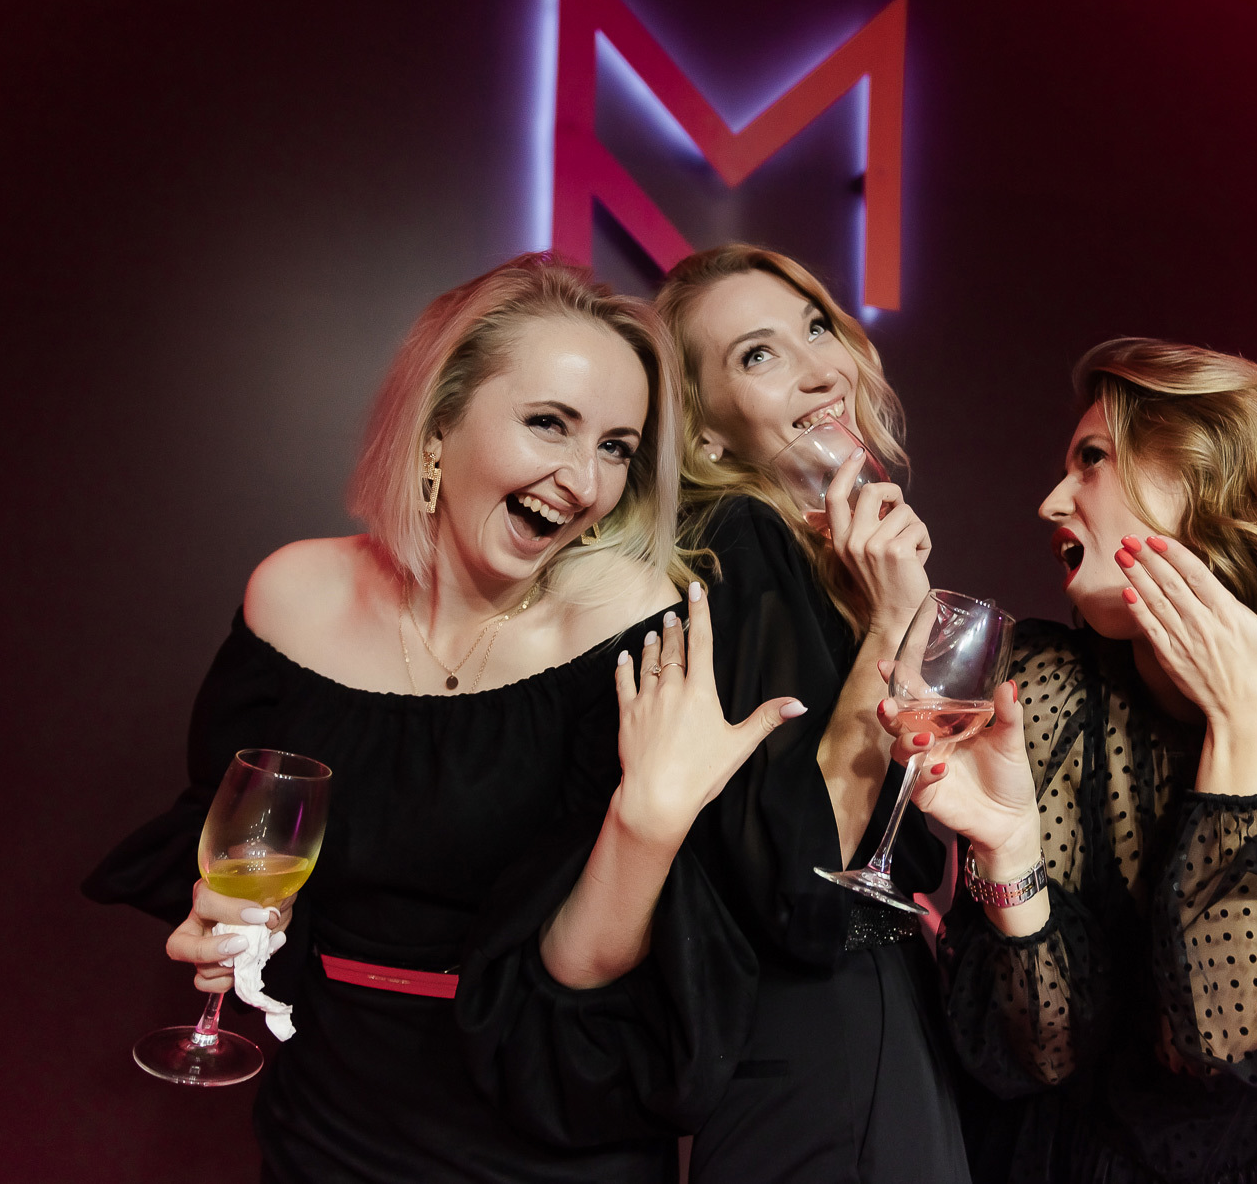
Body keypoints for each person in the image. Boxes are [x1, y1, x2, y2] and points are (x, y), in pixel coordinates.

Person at [84, 255, 799, 1183]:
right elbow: (242, 827)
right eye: (549, 423)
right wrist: (231, 915)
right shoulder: (293, 595)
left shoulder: (631, 624)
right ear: (437, 428)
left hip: (544, 1124)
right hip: (328, 1114)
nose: (582, 481)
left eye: (617, 448)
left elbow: (586, 959)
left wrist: (648, 825)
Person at [879, 338, 1257, 1184]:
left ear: (1207, 475)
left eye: (1092, 460)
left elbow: (1219, 1040)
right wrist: (1010, 856)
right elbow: (1040, 1053)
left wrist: (1241, 733)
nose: (1052, 502)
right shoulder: (1046, 684)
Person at [468, 244, 969, 1182]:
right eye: (758, 354)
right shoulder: (737, 541)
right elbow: (807, 894)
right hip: (824, 1054)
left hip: (862, 1044)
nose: (819, 368)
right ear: (703, 440)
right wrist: (895, 624)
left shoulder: (821, 566)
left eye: (816, 328)